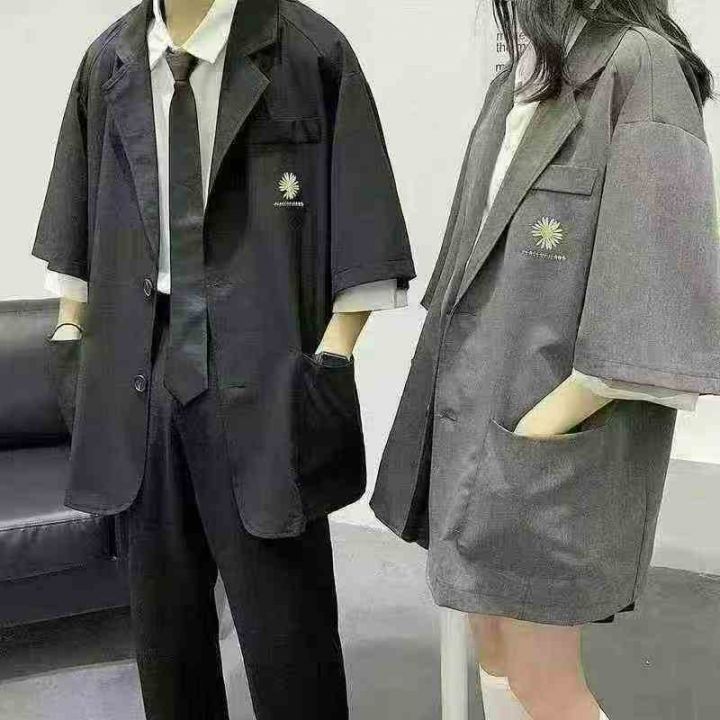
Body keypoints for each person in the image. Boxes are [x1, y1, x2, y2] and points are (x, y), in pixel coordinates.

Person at [31, 0, 415, 717]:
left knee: (287, 624)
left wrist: (332, 354)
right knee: (164, 626)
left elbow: (365, 219)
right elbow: (73, 216)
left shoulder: (308, 51)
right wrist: (69, 333)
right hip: (139, 365)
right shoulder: (109, 61)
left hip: (265, 366)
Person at [370, 1, 719, 718]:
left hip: (550, 435)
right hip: (475, 412)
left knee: (545, 683)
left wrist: (542, 427)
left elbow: (657, 283)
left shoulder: (639, 65)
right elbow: (473, 254)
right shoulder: (521, 72)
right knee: (494, 656)